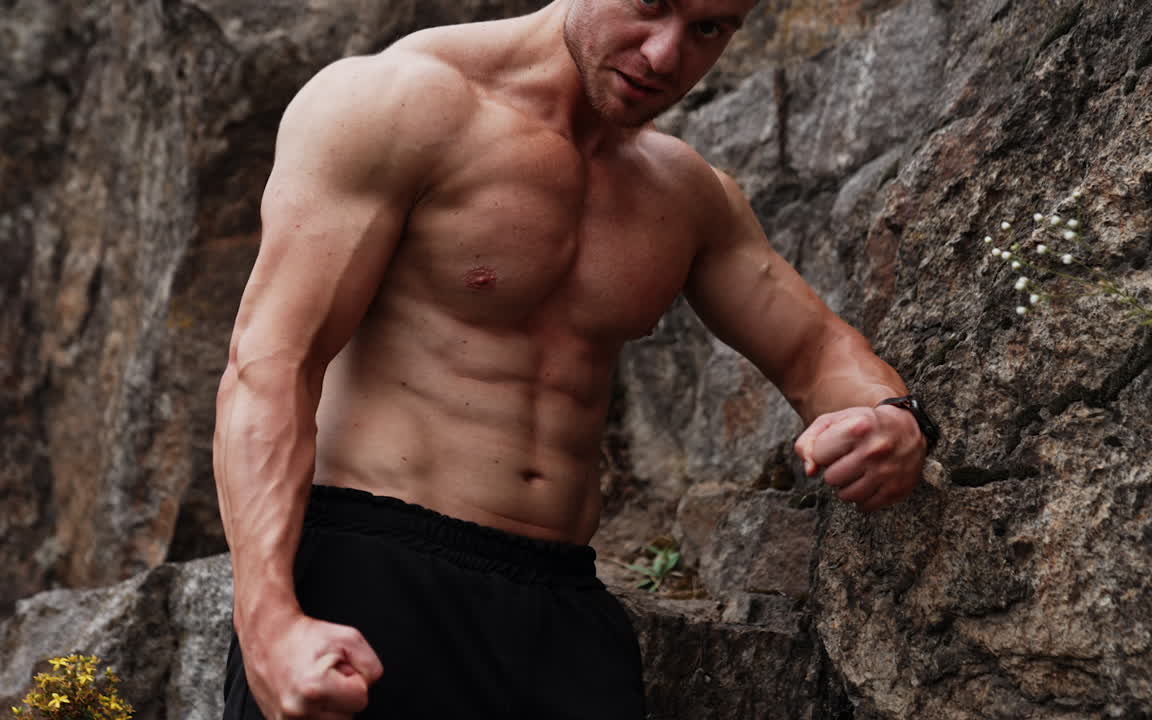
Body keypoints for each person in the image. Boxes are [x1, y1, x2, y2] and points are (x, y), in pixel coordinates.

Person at [214, 0, 936, 718]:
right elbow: (271, 365)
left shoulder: (685, 192)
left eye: (709, 30)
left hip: (560, 610)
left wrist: (890, 418)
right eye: (650, 7)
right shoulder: (394, 103)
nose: (664, 55)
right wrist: (269, 621)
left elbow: (815, 352)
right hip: (368, 579)